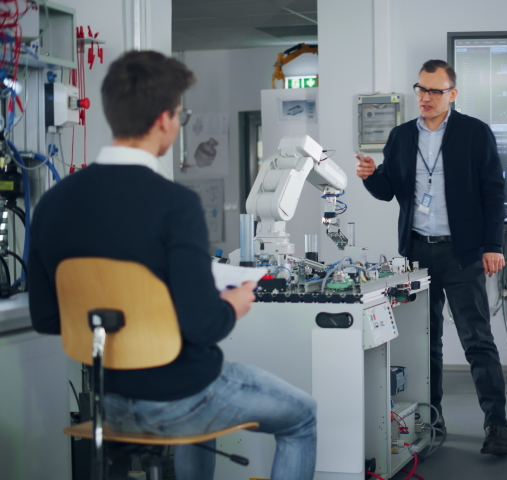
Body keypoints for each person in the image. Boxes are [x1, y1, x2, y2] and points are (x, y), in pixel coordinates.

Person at [28, 51, 317, 480]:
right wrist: (233, 303)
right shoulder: (176, 204)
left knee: (202, 417)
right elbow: (205, 327)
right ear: (165, 119)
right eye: (181, 115)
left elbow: (48, 318)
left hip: (111, 402)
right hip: (184, 399)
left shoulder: (52, 204)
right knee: (303, 417)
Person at [356, 59, 507, 455]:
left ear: (452, 94)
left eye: (434, 91)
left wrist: (494, 245)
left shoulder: (475, 133)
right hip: (417, 253)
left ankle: (496, 425)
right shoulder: (402, 136)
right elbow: (389, 190)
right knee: (427, 344)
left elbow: (494, 192)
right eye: (421, 90)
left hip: (463, 253)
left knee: (477, 341)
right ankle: (431, 421)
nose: (425, 98)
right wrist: (371, 176)